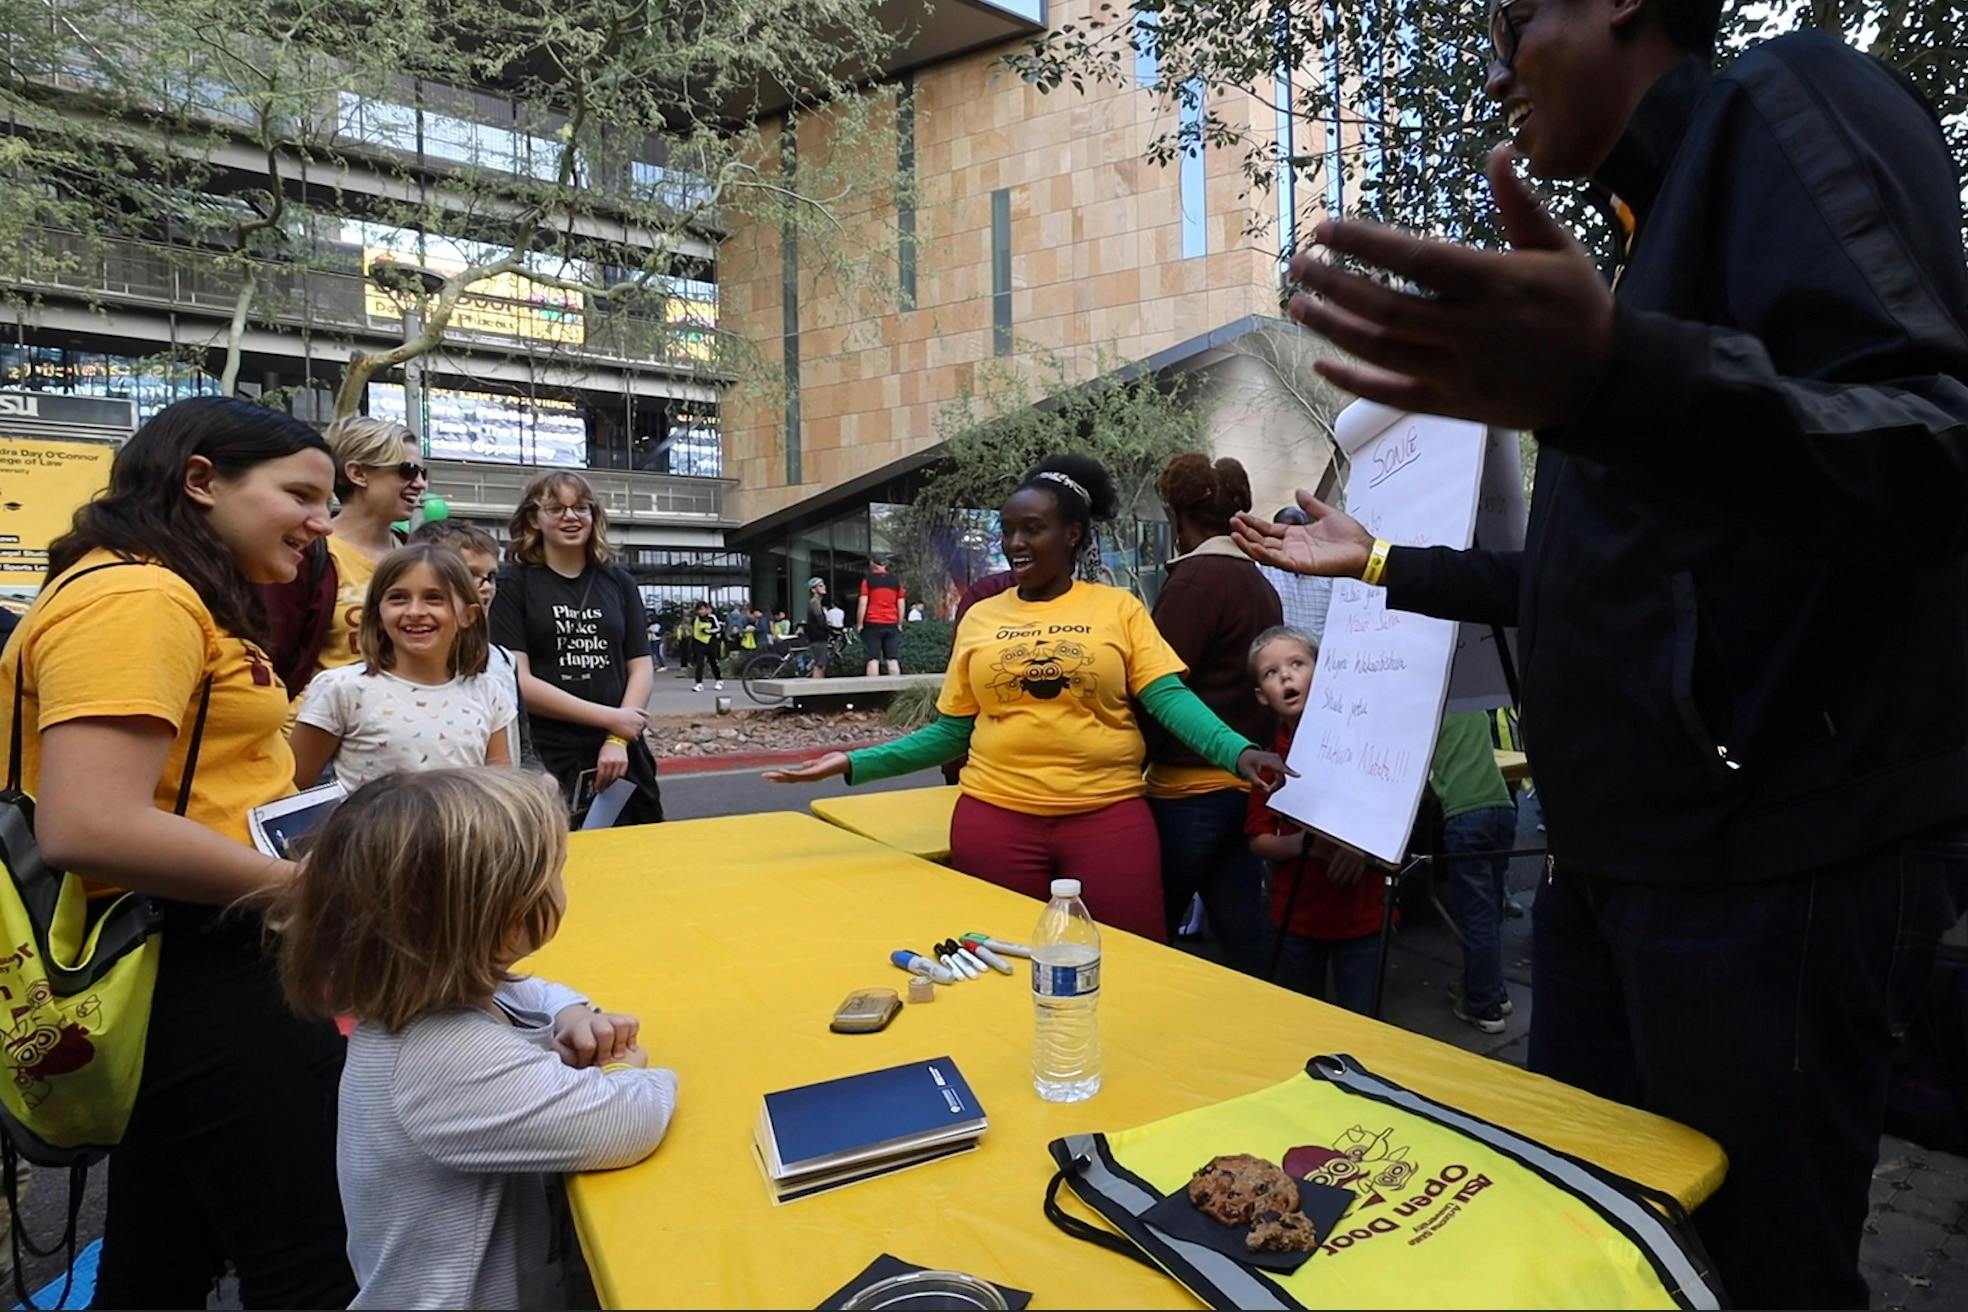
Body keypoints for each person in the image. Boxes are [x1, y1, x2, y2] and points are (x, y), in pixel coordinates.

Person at [1229, 4, 1968, 1304]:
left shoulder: (1787, 103)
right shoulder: (1636, 269)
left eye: (1518, 19)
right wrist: (1382, 560)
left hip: (1766, 878)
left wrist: (1620, 381)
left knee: (1752, 1277)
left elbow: (1934, 444)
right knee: (1603, 1263)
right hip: (1609, 882)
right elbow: (1589, 587)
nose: (1497, 64)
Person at [0, 396, 353, 1307]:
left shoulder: (161, 587)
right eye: (302, 496)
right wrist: (310, 885)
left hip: (192, 955)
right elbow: (88, 825)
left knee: (164, 1251)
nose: (322, 527)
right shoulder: (136, 596)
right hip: (196, 961)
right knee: (309, 1255)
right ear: (202, 480)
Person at [767, 455, 1288, 940]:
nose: (1015, 542)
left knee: (1132, 959)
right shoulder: (982, 617)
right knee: (999, 962)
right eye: (1008, 530)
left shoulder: (1119, 609)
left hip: (1107, 818)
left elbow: (1168, 697)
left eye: (1032, 529)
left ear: (1072, 534)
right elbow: (953, 731)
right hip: (996, 818)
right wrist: (853, 762)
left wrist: (1236, 752)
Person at [274, 768, 678, 1309]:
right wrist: (629, 1066)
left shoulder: (426, 1001)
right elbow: (629, 1123)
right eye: (553, 873)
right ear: (503, 916)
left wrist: (575, 1016)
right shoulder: (446, 1055)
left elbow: (533, 992)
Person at [1142, 454, 1282, 975]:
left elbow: (1158, 685)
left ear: (1179, 519)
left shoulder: (1197, 580)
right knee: (1244, 936)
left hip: (1186, 793)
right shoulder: (1260, 585)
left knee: (1151, 933)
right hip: (1241, 788)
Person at [491, 472, 662, 827]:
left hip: (623, 751)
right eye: (556, 508)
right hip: (549, 752)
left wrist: (618, 737)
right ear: (533, 519)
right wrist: (611, 718)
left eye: (581, 508)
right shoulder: (512, 584)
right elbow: (517, 679)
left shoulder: (618, 581)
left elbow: (641, 665)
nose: (571, 517)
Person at [289, 543, 516, 790]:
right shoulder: (342, 688)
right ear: (378, 612)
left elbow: (499, 793)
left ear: (468, 615)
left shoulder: (489, 693)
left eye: (434, 598)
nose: (415, 611)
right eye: (398, 598)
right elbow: (294, 787)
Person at [1243, 626, 1382, 1014]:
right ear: (1261, 696)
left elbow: (1391, 811)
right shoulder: (1269, 762)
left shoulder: (1362, 745)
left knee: (1367, 1023)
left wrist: (1359, 847)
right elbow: (1258, 838)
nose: (1286, 676)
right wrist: (1308, 845)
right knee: (1300, 1023)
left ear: (1322, 672)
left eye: (1297, 664)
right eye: (1271, 673)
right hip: (1296, 921)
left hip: (1364, 916)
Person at [265, 416, 427, 702]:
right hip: (316, 734)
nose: (420, 484)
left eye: (424, 474)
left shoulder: (414, 554)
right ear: (358, 473)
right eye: (408, 471)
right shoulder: (306, 553)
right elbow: (273, 656)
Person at [409, 521, 543, 772]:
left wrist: (539, 778)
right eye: (470, 574)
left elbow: (522, 747)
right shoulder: (392, 667)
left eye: (491, 576)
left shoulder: (501, 661)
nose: (486, 587)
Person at [1431, 710, 1519, 1033]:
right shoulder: (1474, 706)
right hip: (1502, 808)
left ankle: (1483, 1004)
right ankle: (1494, 989)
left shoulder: (1429, 709)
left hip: (1465, 815)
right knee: (1491, 908)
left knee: (1476, 915)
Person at [1255, 506, 1333, 644]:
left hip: (1324, 657)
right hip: (1283, 658)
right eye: (1284, 533)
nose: (1291, 540)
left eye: (1297, 533)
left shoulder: (1328, 573)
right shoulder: (1263, 571)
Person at [856, 559, 906, 676]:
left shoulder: (868, 581)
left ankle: (873, 692)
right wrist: (899, 623)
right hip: (891, 623)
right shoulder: (896, 581)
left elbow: (863, 603)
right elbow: (901, 605)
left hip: (872, 623)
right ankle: (896, 691)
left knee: (873, 660)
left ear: (872, 565)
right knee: (892, 660)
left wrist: (860, 624)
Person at [688, 599, 723, 692]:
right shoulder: (695, 619)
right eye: (699, 609)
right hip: (699, 644)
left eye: (703, 609)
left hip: (711, 643)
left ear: (707, 609)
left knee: (713, 662)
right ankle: (699, 683)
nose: (701, 611)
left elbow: (718, 628)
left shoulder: (712, 618)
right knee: (699, 663)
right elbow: (694, 631)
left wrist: (708, 631)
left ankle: (719, 680)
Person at [802, 578, 830, 679]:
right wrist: (832, 630)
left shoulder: (816, 602)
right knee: (820, 665)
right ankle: (816, 690)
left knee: (821, 664)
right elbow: (820, 621)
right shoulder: (815, 602)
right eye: (820, 586)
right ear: (813, 590)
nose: (824, 587)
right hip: (818, 637)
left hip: (818, 637)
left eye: (823, 585)